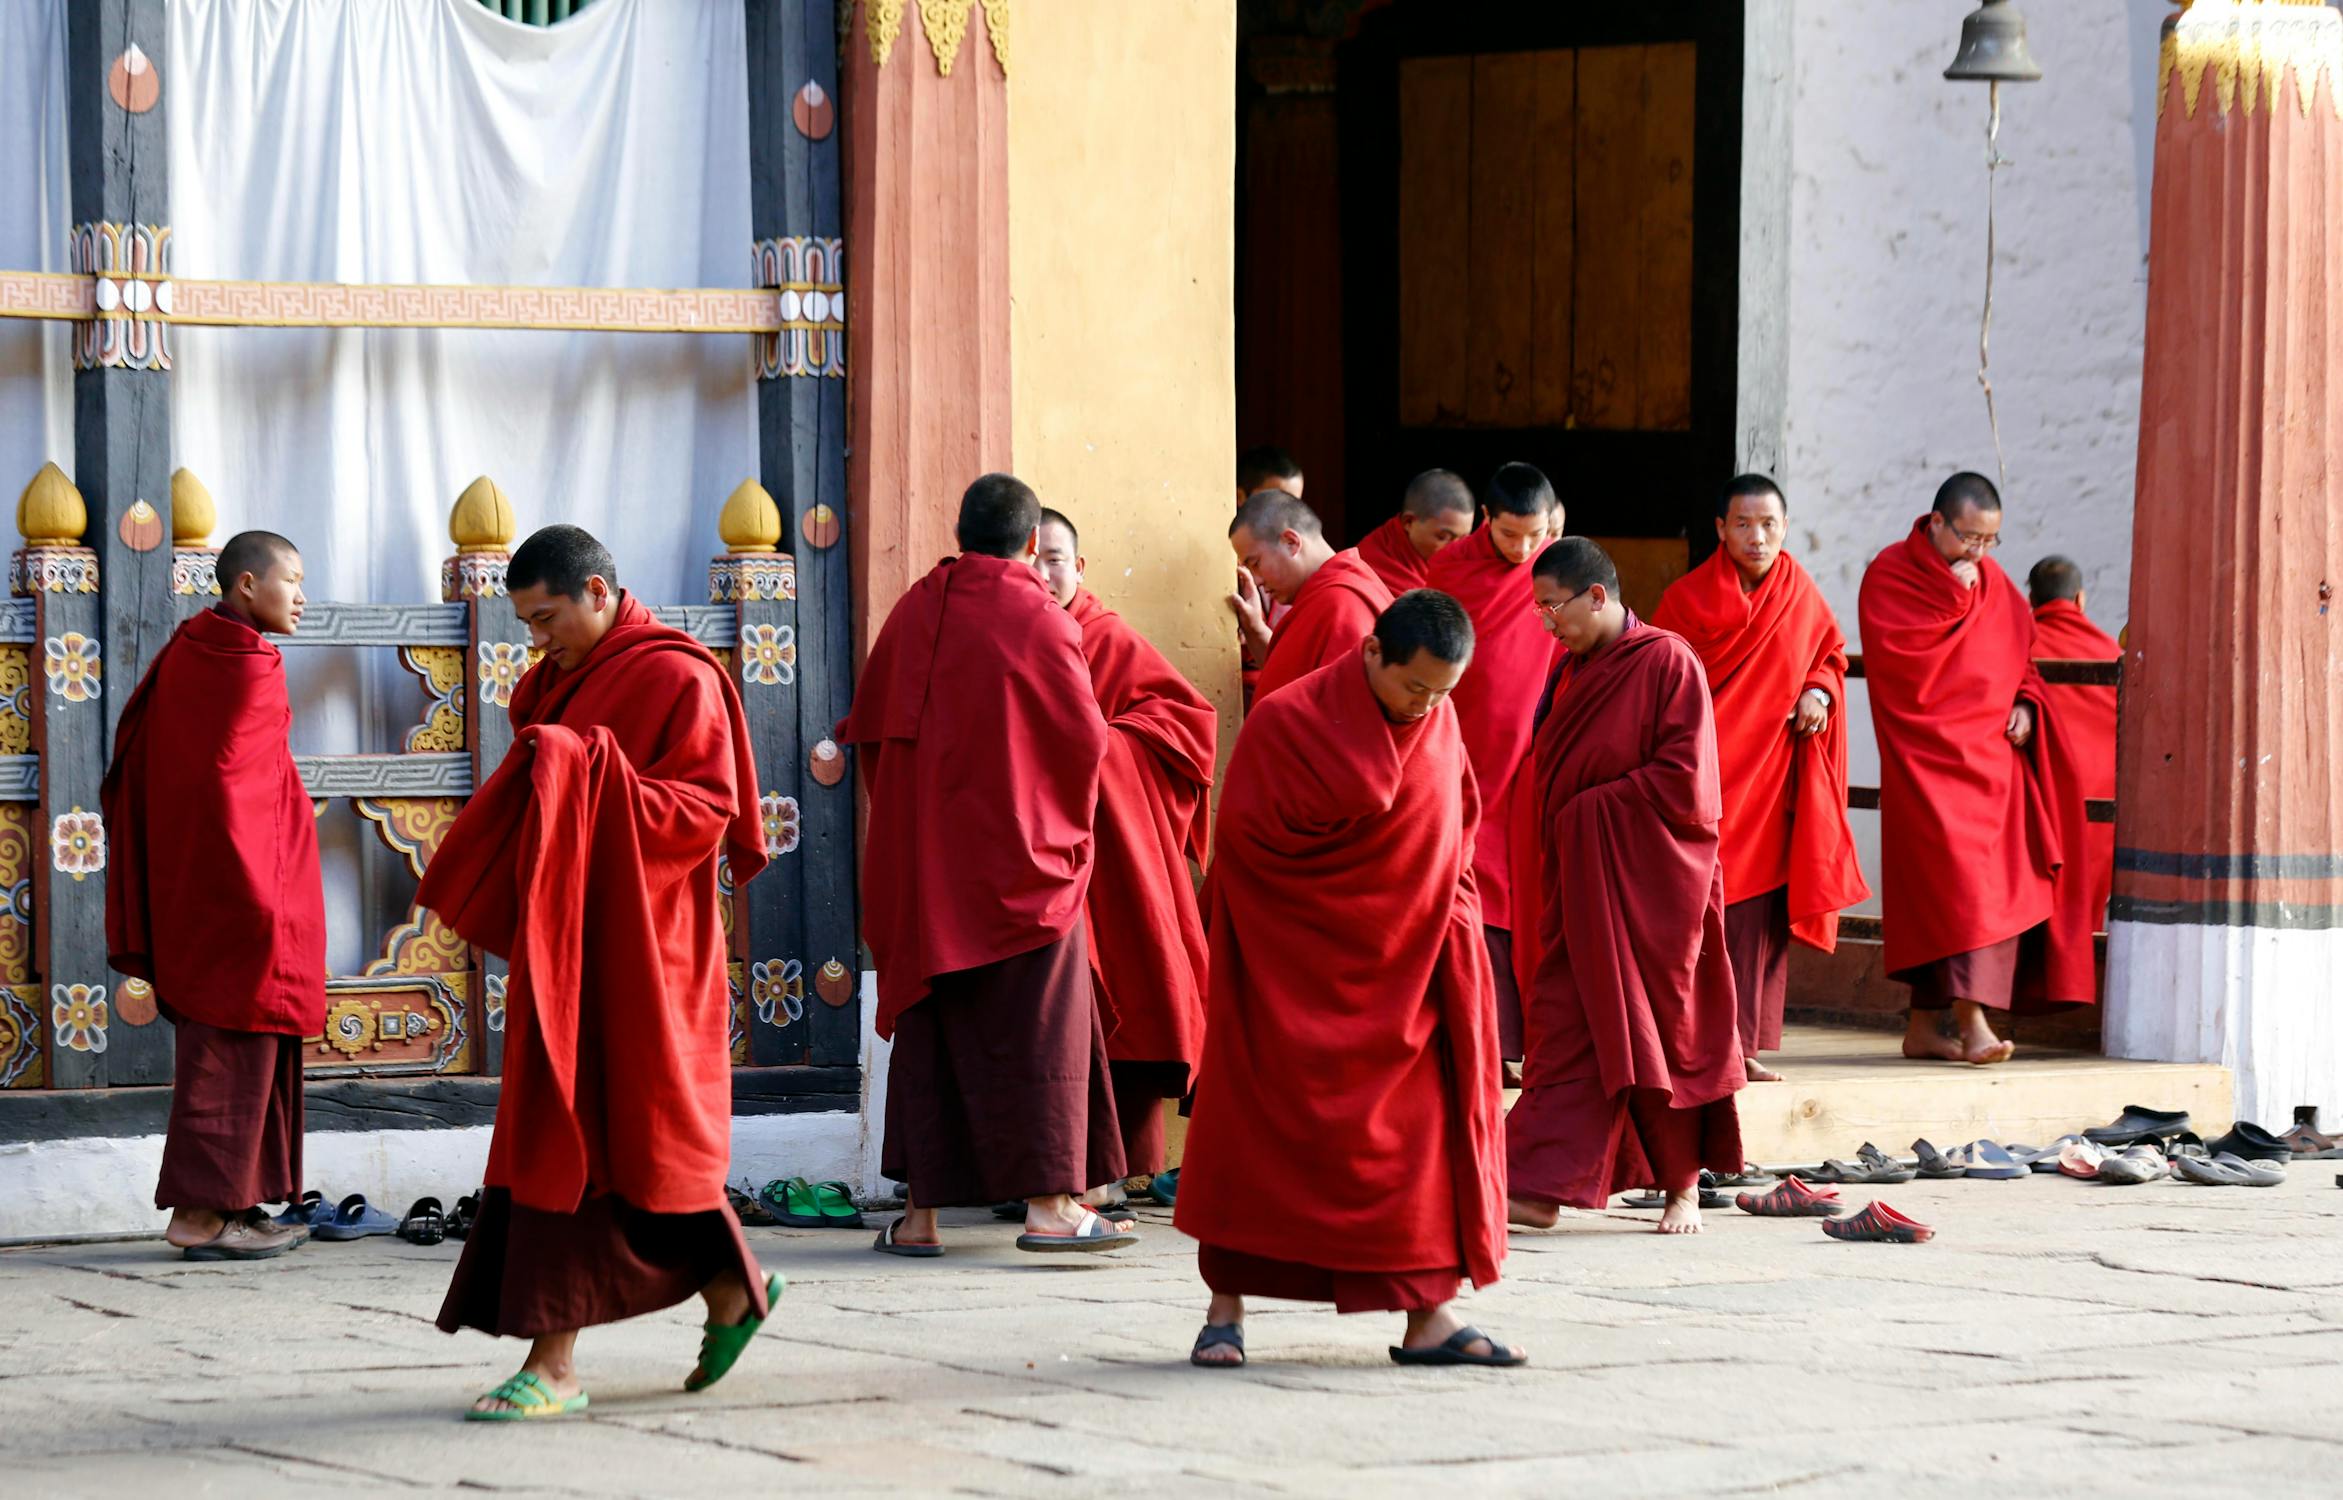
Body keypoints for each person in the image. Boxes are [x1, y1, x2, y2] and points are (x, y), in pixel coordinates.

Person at [420, 525, 778, 1420]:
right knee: (595, 1132)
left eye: (546, 618)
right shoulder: (552, 681)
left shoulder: (677, 675)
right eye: (526, 624)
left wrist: (589, 769)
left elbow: (703, 811)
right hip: (569, 938)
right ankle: (729, 1289)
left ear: (596, 591)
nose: (536, 639)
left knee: (605, 1128)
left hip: (651, 941)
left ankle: (555, 1365)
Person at [1177, 590, 1521, 1370]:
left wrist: (1443, 919)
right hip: (1291, 971)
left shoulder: (1439, 721)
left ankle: (1428, 1315)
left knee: (1417, 1139)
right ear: (1371, 653)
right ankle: (1224, 1311)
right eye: (1413, 686)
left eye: (1442, 691)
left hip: (1411, 969)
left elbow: (1455, 829)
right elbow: (1246, 852)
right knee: (1253, 1131)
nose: (1424, 704)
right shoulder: (1287, 721)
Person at [838, 475, 1133, 1256]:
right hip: (1023, 861)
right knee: (1042, 1026)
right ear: (1031, 544)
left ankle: (919, 1220)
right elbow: (1082, 741)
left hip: (931, 867)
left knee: (933, 1024)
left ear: (960, 533)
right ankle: (1050, 1208)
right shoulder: (1040, 617)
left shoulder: (912, 610)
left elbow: (873, 732)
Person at [1506, 539, 1744, 1236]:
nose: (1547, 623)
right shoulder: (1571, 670)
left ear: (1596, 595)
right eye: (1538, 610)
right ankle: (1536, 1187)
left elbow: (1687, 783)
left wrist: (1589, 810)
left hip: (1655, 884)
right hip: (1583, 881)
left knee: (1661, 1028)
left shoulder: (1667, 661)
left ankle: (1682, 1186)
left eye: (1552, 607)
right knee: (1566, 1025)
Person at [104, 530, 323, 1263]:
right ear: (247, 585)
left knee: (242, 1044)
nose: (301, 597)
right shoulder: (245, 662)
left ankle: (236, 1205)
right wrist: (262, 896)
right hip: (241, 886)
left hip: (201, 880)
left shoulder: (192, 650)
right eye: (291, 580)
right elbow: (232, 790)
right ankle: (199, 1216)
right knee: (231, 1045)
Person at [1858, 473, 2090, 1067]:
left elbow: (2022, 659)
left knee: (1988, 886)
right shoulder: (1890, 575)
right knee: (1954, 888)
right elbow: (1901, 667)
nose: (1979, 552)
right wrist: (1952, 598)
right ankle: (1972, 1024)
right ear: (1936, 523)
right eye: (1969, 538)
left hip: (1990, 763)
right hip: (1925, 761)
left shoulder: (1995, 583)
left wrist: (2026, 704)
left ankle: (1924, 1029)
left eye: (1990, 541)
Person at [1651, 476, 1869, 1083]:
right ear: (1721, 529)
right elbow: (1658, 679)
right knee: (1696, 910)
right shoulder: (1685, 600)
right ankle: (1687, 1044)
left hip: (1771, 781)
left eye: (1769, 524)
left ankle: (1742, 1046)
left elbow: (1828, 656)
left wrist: (1819, 692)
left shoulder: (1799, 593)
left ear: (1785, 527)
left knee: (1754, 925)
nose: (1757, 536)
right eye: (1743, 524)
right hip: (1705, 778)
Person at [1034, 509, 1215, 1199]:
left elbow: (1186, 723)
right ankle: (1048, 1172)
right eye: (1032, 559)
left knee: (1126, 1003)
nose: (1043, 573)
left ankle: (1108, 1171)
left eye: (1056, 559)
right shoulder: (1009, 637)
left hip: (1111, 862)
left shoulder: (1106, 637)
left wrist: (1096, 750)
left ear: (1079, 568)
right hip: (1037, 856)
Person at [1425, 462, 1561, 1074]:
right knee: (1472, 898)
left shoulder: (1558, 568)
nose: (1524, 549)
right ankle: (1482, 1045)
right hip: (1466, 756)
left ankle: (1526, 1044)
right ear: (1485, 520)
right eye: (1510, 535)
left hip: (1531, 765)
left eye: (1536, 535)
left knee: (1524, 902)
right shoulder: (1451, 569)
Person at [2025, 555, 2119, 994]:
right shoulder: (2111, 652)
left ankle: (2024, 983)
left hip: (2038, 792)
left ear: (2031, 599)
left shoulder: (2018, 645)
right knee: (2085, 893)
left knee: (2032, 885)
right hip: (2098, 798)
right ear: (2080, 599)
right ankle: (2077, 980)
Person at [1227, 489, 1395, 703]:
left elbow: (1340, 709)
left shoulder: (1342, 604)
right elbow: (1292, 679)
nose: (1257, 580)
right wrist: (1254, 629)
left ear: (1291, 542)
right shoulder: (1325, 594)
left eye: (1256, 563)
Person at [1232, 447, 1304, 707]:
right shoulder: (1223, 558)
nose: (1286, 516)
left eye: (1293, 504)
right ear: (1240, 497)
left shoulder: (1297, 557)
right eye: (1274, 504)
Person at [1356, 469, 1476, 595]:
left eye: (1463, 539)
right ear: (1409, 522)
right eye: (1443, 537)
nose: (1456, 551)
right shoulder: (1369, 565)